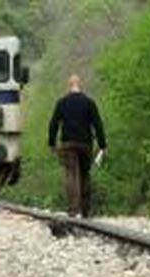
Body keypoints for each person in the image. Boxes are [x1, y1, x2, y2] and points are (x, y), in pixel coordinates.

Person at [48, 74, 107, 218]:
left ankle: (73, 210)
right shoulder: (89, 102)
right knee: (85, 175)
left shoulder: (62, 102)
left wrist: (52, 143)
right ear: (80, 84)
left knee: (71, 175)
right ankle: (86, 211)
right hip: (85, 144)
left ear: (69, 85)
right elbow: (98, 125)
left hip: (68, 144)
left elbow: (53, 124)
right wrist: (102, 145)